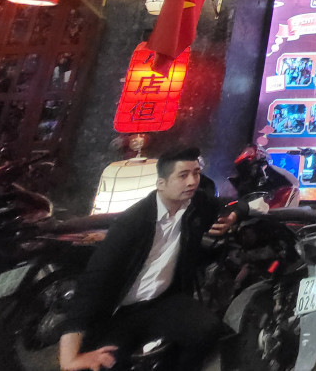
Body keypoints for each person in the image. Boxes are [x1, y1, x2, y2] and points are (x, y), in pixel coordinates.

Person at [59, 146, 236, 371]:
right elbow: (93, 284)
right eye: (183, 175)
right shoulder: (132, 223)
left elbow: (230, 204)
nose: (192, 182)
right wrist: (69, 357)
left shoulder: (195, 204)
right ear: (161, 183)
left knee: (208, 330)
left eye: (196, 173)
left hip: (163, 301)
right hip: (119, 311)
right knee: (107, 363)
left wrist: (233, 216)